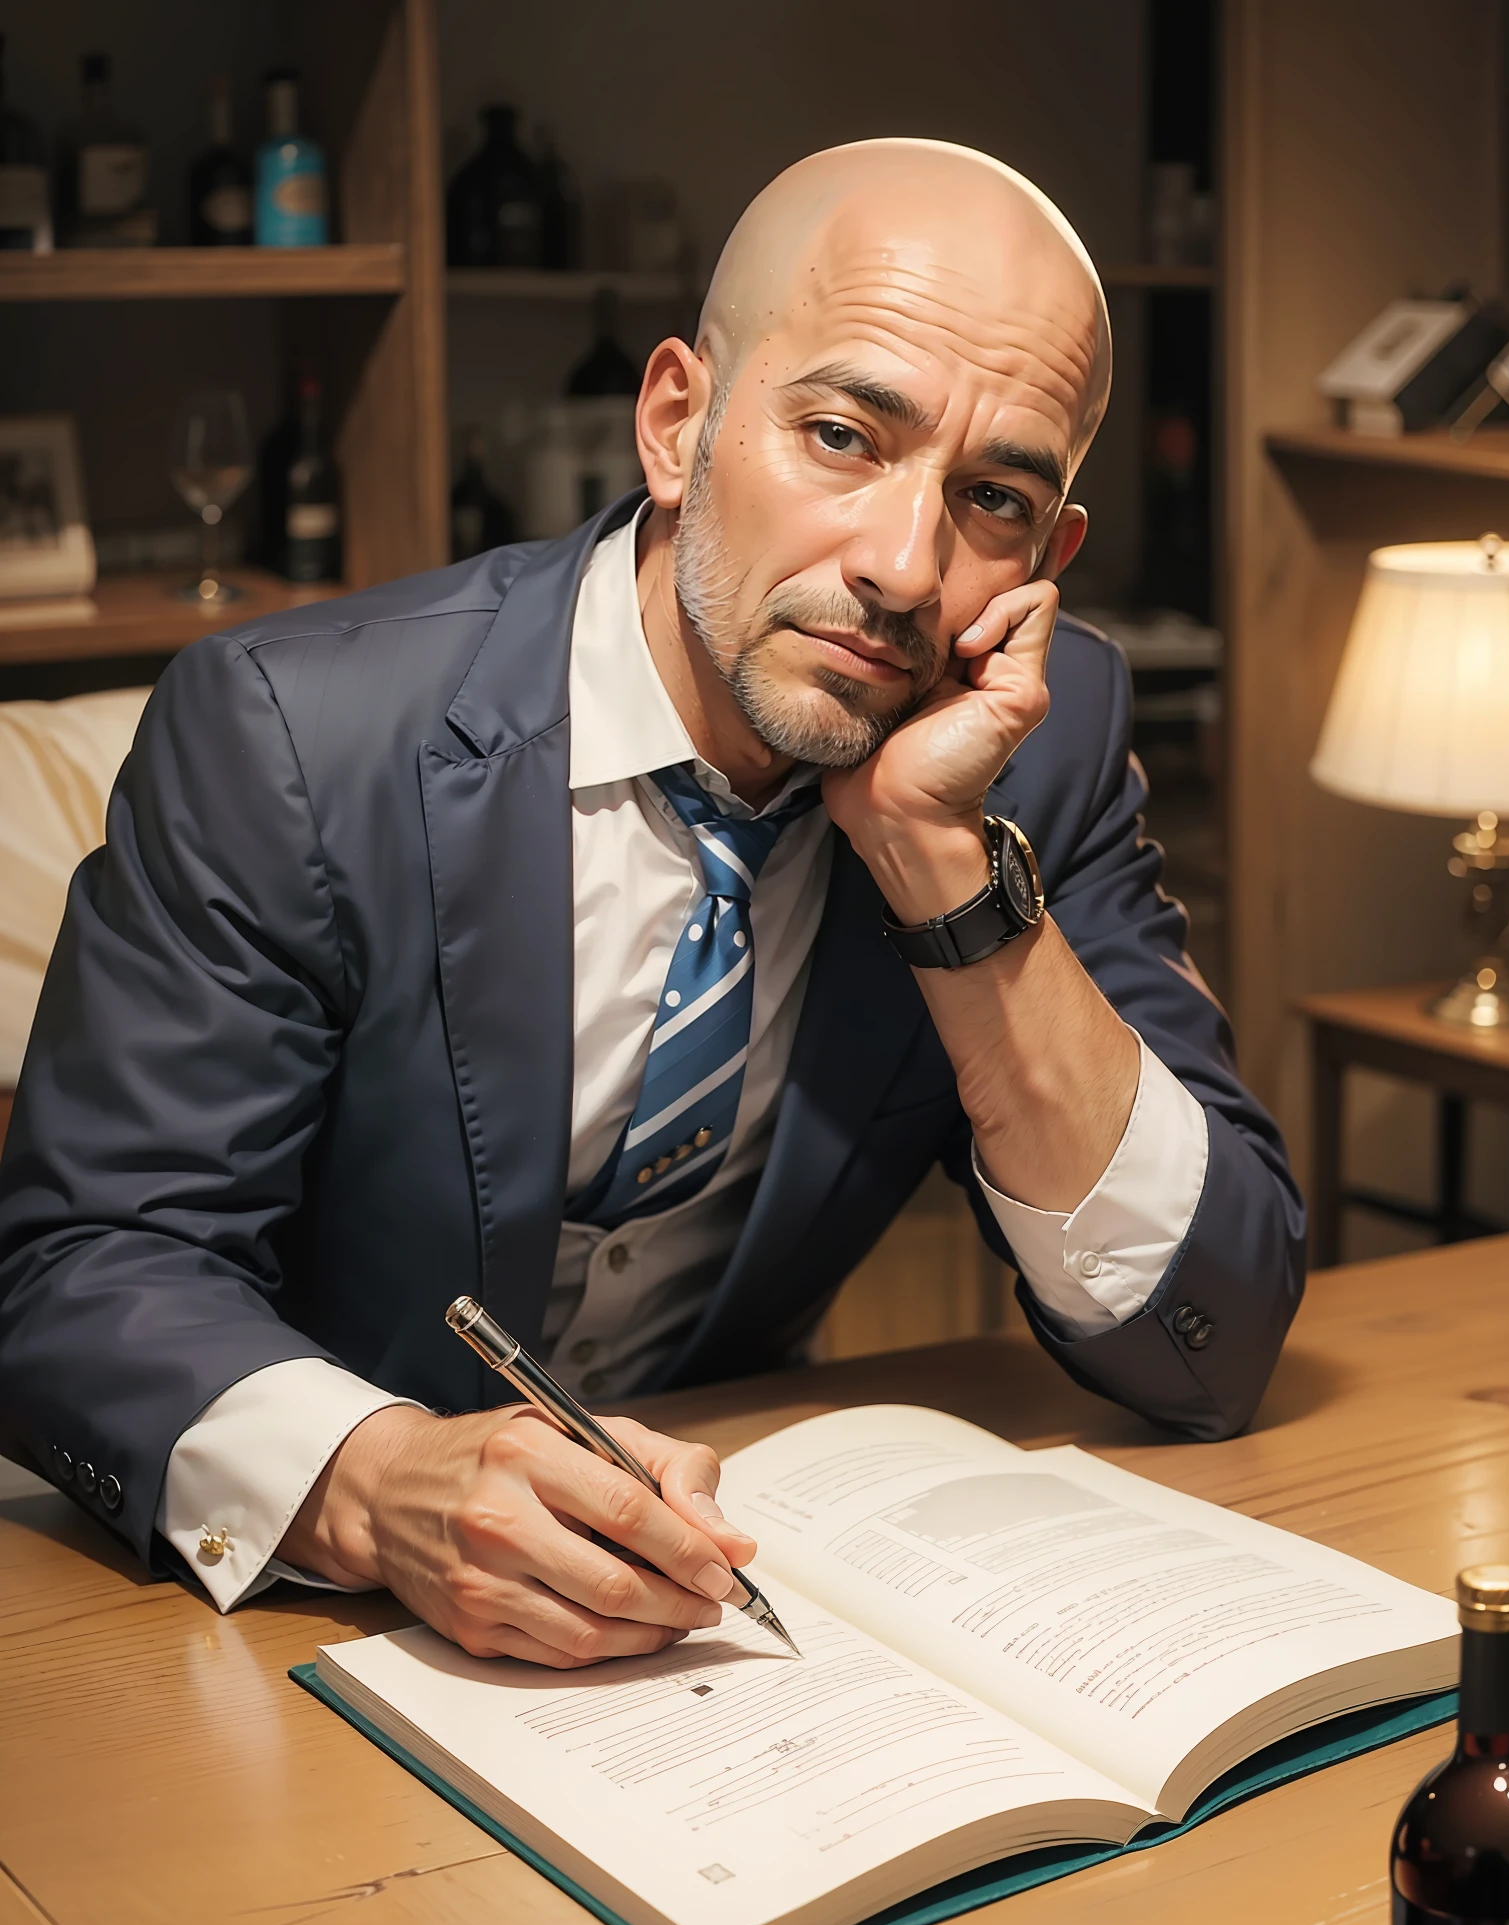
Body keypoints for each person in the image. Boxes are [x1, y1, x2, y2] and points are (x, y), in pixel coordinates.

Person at [0, 140, 1303, 1670]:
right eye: (838, 436)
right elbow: (84, 1277)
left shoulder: (1039, 739)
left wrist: (944, 871)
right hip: (272, 1626)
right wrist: (375, 1484)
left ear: (1050, 552)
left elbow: (1205, 1329)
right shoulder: (290, 733)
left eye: (993, 499)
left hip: (713, 1626)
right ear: (678, 421)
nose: (902, 566)